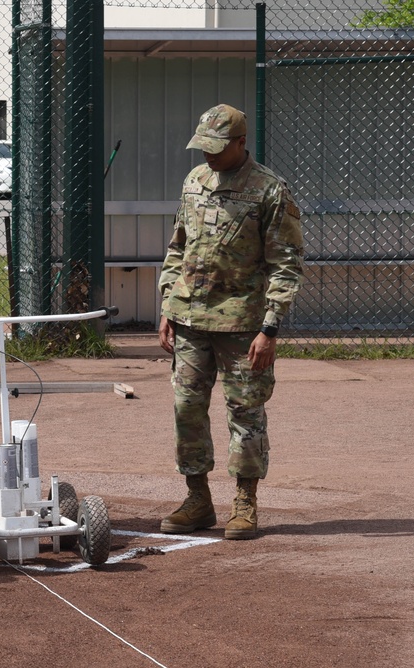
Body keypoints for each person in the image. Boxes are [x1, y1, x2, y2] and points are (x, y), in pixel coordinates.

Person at [157, 104, 305, 540]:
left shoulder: (269, 190)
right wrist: (168, 305)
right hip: (189, 319)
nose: (209, 156)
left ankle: (245, 502)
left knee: (245, 414)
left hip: (244, 325)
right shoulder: (194, 182)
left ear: (241, 143)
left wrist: (270, 327)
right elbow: (177, 248)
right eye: (203, 147)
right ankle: (198, 499)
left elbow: (286, 265)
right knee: (187, 410)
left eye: (217, 148)